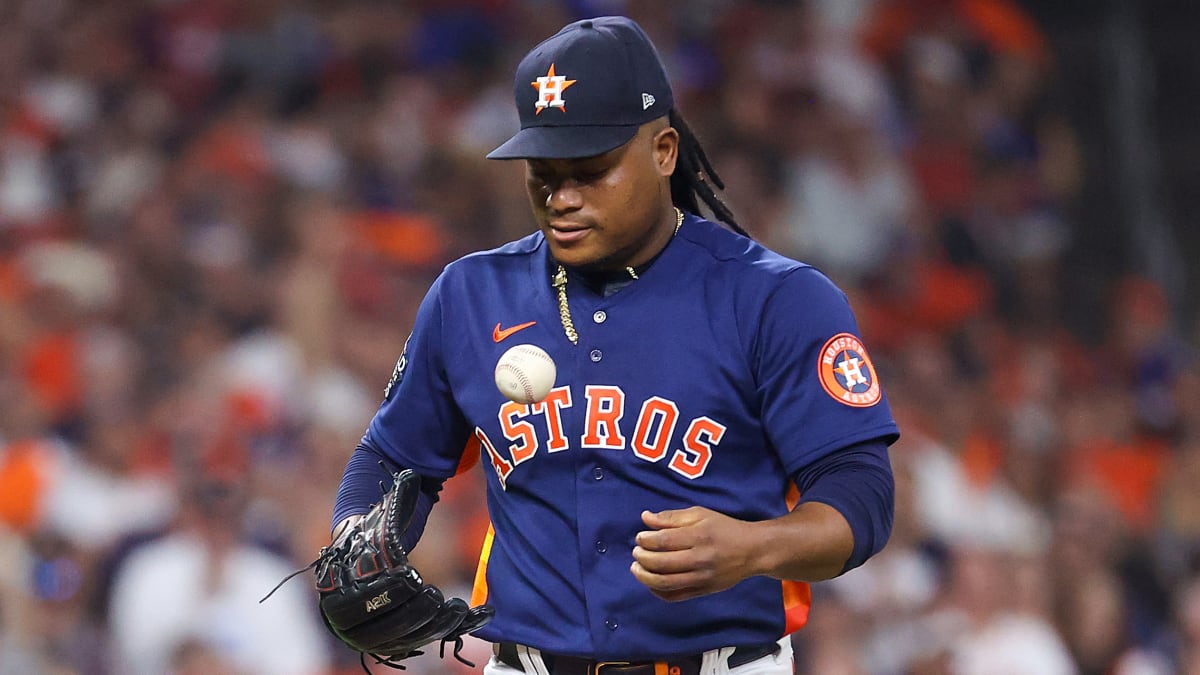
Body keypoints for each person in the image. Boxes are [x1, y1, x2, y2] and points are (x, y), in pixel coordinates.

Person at [330, 15, 898, 674]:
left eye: (591, 170)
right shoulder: (470, 295)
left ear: (663, 151)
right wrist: (357, 538)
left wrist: (754, 547)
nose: (562, 197)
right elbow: (395, 457)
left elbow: (861, 495)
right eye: (542, 172)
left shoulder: (775, 298)